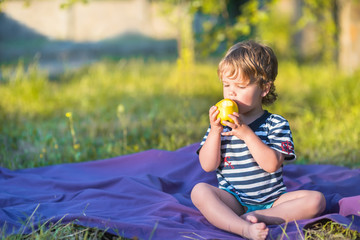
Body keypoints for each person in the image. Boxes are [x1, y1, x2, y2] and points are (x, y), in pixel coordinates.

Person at [191, 40, 326, 240]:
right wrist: (215, 131)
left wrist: (246, 134)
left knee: (317, 200)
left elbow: (271, 165)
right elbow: (208, 166)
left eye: (241, 86)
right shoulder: (221, 125)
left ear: (264, 88)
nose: (231, 92)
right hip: (233, 199)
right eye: (226, 85)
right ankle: (242, 227)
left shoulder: (275, 124)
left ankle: (256, 217)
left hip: (273, 201)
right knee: (199, 191)